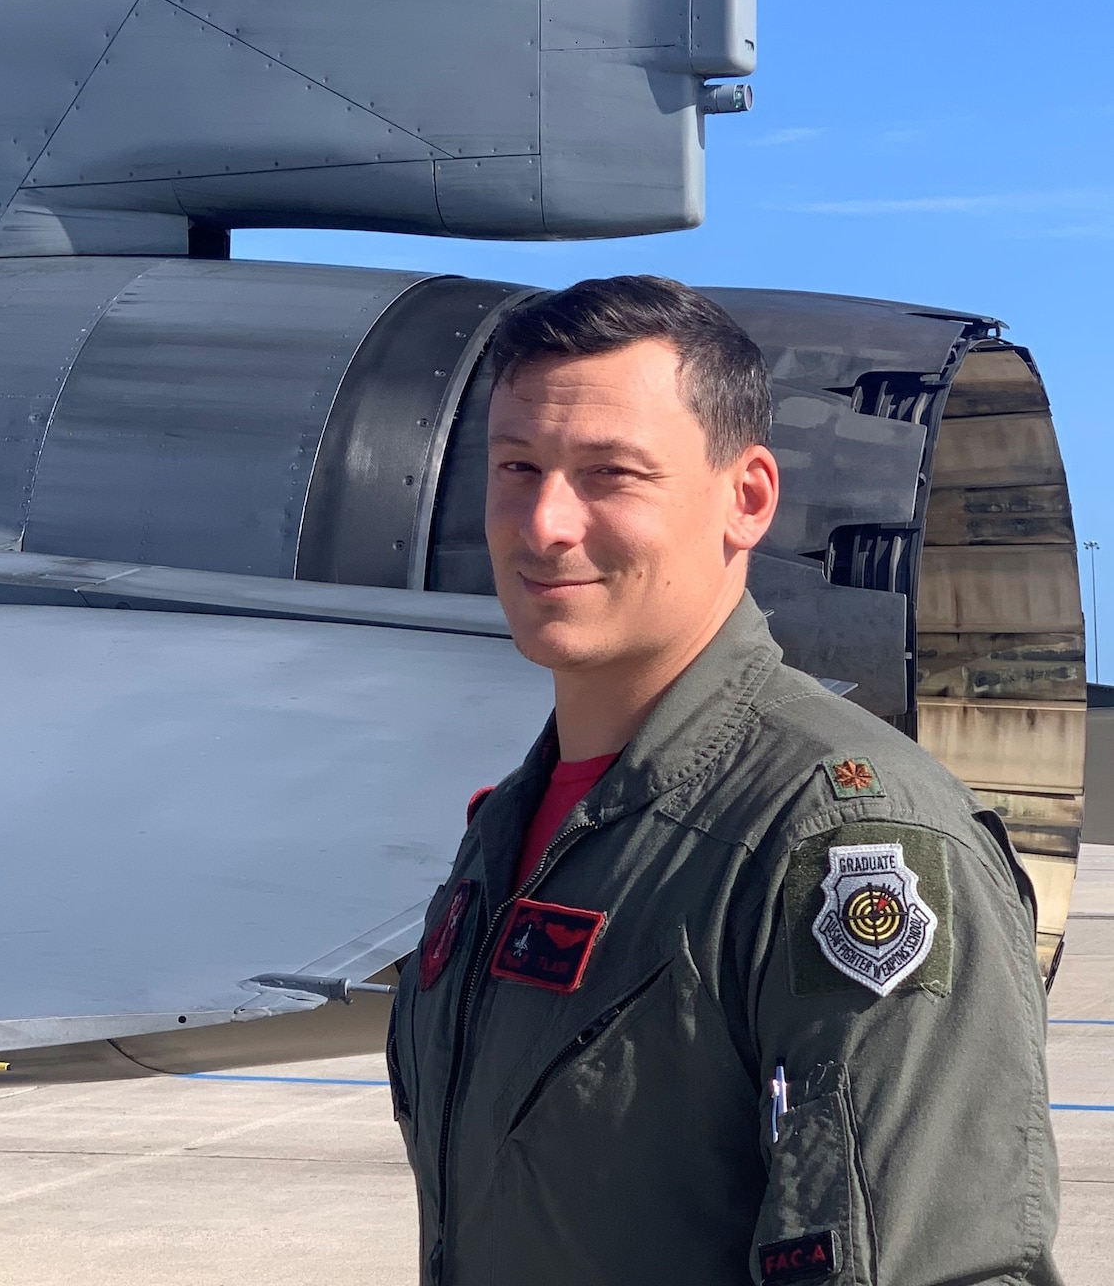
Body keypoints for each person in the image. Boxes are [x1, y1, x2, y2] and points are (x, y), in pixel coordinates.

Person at [387, 275, 1059, 1286]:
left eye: (609, 473)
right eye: (517, 465)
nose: (544, 522)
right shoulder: (515, 832)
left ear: (745, 498)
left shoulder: (840, 837)